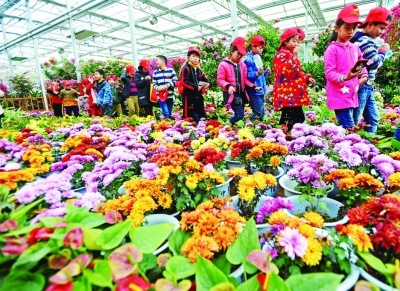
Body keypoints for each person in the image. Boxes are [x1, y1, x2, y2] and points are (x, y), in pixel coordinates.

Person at [324, 4, 368, 130]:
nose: (351, 31)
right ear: (337, 28)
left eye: (354, 28)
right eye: (347, 28)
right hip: (339, 96)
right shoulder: (332, 50)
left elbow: (361, 63)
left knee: (348, 128)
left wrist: (364, 75)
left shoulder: (355, 47)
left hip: (352, 95)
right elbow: (329, 73)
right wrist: (345, 77)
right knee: (349, 128)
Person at [350, 7, 391, 133]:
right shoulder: (365, 40)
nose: (382, 32)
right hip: (362, 86)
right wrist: (383, 50)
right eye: (381, 28)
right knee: (355, 120)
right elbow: (374, 63)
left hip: (367, 86)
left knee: (373, 118)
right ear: (371, 24)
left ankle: (369, 145)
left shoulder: (361, 39)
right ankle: (350, 145)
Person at [273, 27, 316, 131]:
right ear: (285, 42)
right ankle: (286, 137)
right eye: (294, 41)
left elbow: (297, 73)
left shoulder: (290, 54)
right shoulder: (281, 54)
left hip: (295, 95)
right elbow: (282, 71)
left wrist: (307, 77)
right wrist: (294, 57)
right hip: (288, 95)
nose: (297, 44)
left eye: (299, 42)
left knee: (298, 118)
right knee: (289, 119)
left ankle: (296, 137)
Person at [217, 37, 257, 125]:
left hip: (241, 94)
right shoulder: (223, 65)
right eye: (238, 53)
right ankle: (228, 123)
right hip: (231, 94)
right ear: (232, 51)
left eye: (242, 55)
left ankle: (232, 126)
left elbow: (245, 80)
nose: (240, 56)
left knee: (239, 113)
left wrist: (254, 86)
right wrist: (228, 86)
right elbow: (220, 80)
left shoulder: (242, 65)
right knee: (240, 114)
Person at [244, 35, 271, 121]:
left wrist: (266, 73)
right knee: (258, 113)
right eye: (260, 47)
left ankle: (256, 128)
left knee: (261, 113)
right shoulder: (247, 59)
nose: (261, 50)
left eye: (262, 48)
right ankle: (249, 127)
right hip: (254, 91)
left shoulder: (257, 58)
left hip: (260, 90)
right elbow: (247, 76)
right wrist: (257, 73)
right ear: (252, 46)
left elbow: (260, 75)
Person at [181, 46, 211, 122]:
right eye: (193, 56)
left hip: (198, 95)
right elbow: (184, 82)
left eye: (197, 57)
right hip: (189, 96)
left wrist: (208, 84)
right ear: (188, 57)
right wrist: (196, 87)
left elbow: (205, 79)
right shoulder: (186, 68)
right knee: (190, 116)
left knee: (201, 112)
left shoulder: (198, 69)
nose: (195, 58)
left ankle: (202, 125)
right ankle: (189, 130)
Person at [152, 55, 178, 119]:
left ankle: (167, 125)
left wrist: (167, 85)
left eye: (157, 60)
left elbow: (175, 81)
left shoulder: (171, 70)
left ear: (163, 61)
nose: (156, 62)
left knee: (169, 112)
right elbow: (154, 83)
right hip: (161, 96)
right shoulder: (155, 72)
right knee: (166, 112)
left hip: (170, 95)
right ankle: (167, 122)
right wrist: (157, 88)